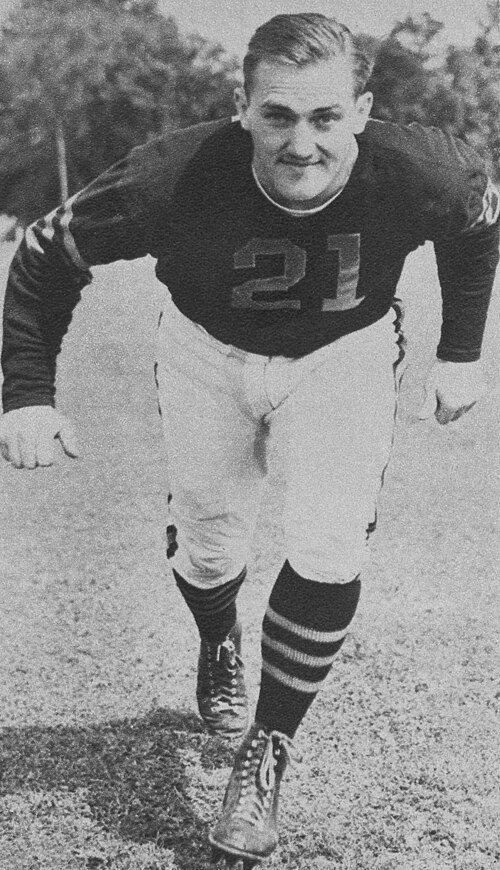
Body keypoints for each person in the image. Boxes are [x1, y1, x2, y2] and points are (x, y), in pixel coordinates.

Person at [1, 11, 498, 867]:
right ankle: (217, 635)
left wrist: (460, 353)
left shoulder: (422, 169)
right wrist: (26, 396)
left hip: (342, 352)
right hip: (205, 353)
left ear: (363, 111)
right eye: (276, 115)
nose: (299, 142)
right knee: (207, 544)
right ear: (241, 108)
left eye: (324, 117)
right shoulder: (174, 175)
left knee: (332, 543)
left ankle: (268, 748)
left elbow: (475, 228)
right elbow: (46, 255)